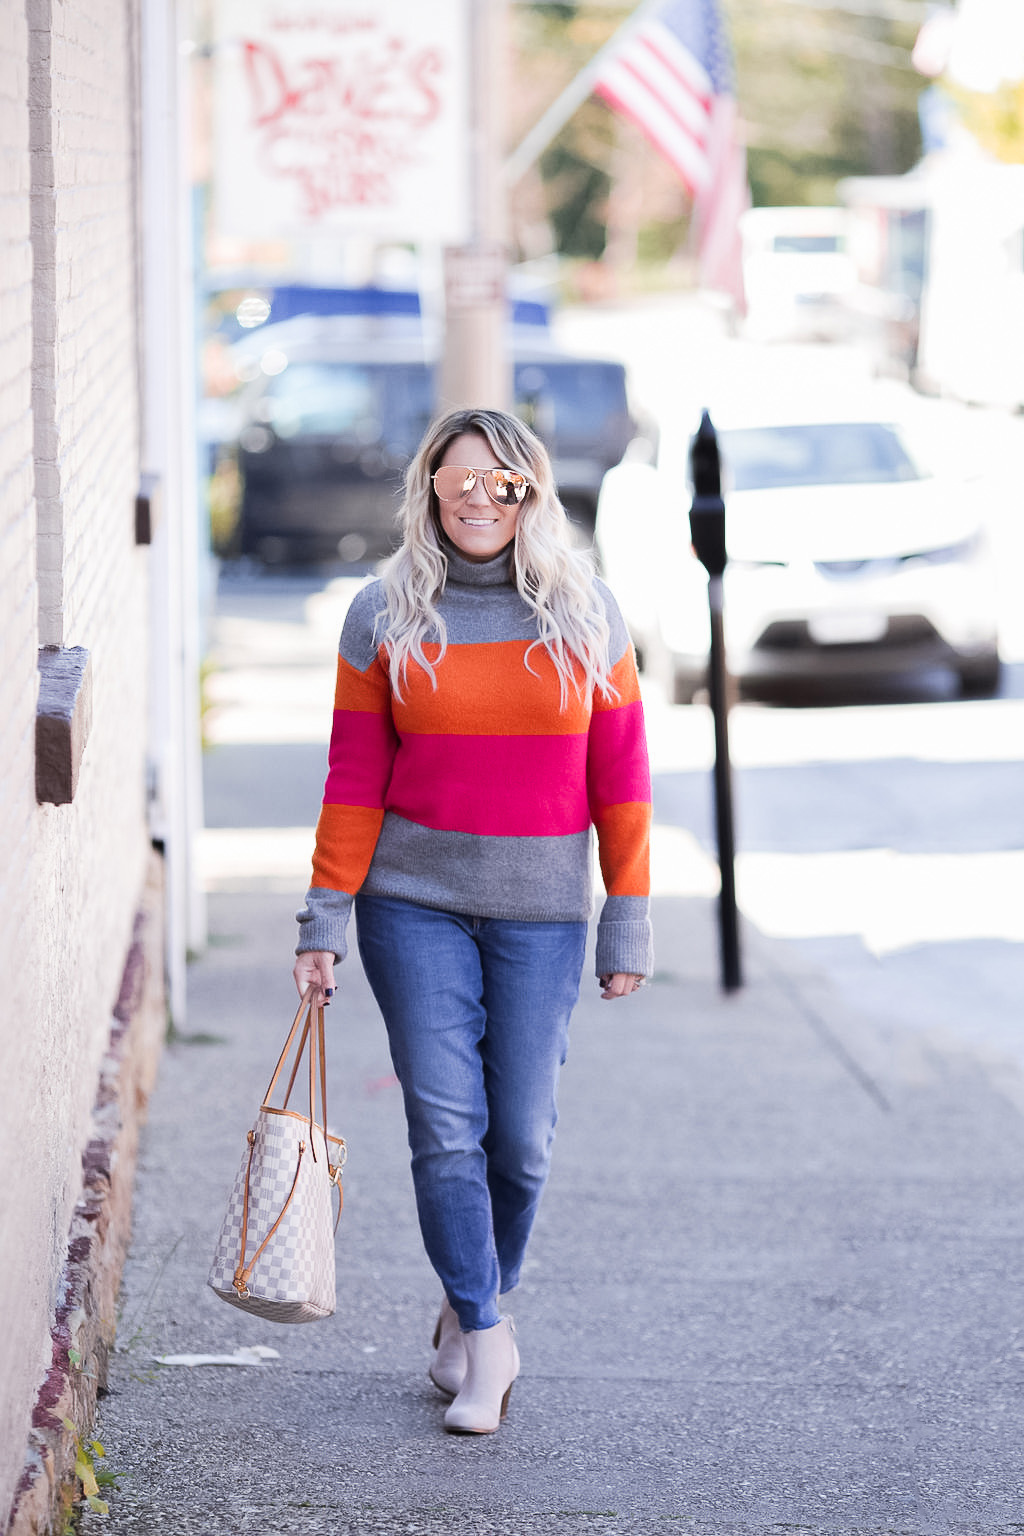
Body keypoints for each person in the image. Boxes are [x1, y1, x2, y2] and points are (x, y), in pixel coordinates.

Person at [293, 406, 652, 1435]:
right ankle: (487, 1337)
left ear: (529, 493)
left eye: (498, 486)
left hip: (542, 913)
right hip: (413, 907)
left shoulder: (588, 616)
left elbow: (620, 782)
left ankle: (465, 1296)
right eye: (455, 489)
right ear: (429, 497)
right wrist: (323, 919)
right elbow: (355, 777)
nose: (476, 504)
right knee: (446, 1125)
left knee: (522, 1141)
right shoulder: (386, 615)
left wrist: (625, 919)